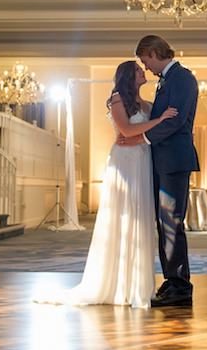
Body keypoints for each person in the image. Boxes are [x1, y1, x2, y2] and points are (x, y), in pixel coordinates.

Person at [35, 60, 177, 308]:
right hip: (125, 162)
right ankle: (116, 284)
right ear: (127, 75)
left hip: (142, 160)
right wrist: (159, 120)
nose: (143, 71)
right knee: (124, 216)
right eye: (138, 70)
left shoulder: (145, 103)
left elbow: (138, 134)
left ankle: (136, 284)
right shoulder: (117, 99)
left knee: (140, 218)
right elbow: (126, 130)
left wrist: (156, 122)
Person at [120, 35, 200, 307]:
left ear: (154, 53)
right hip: (163, 161)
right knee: (163, 223)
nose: (147, 67)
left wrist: (141, 139)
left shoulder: (182, 78)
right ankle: (172, 280)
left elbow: (176, 121)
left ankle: (180, 286)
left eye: (145, 61)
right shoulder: (168, 79)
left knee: (171, 223)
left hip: (174, 161)